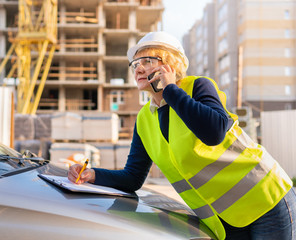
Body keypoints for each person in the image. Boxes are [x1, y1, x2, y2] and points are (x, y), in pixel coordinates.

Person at [68, 31, 296, 240]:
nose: (137, 69)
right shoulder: (144, 120)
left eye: (147, 61)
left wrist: (169, 89)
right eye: (134, 64)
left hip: (265, 199)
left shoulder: (198, 87)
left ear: (170, 64)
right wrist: (92, 174)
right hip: (224, 219)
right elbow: (132, 178)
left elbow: (214, 132)